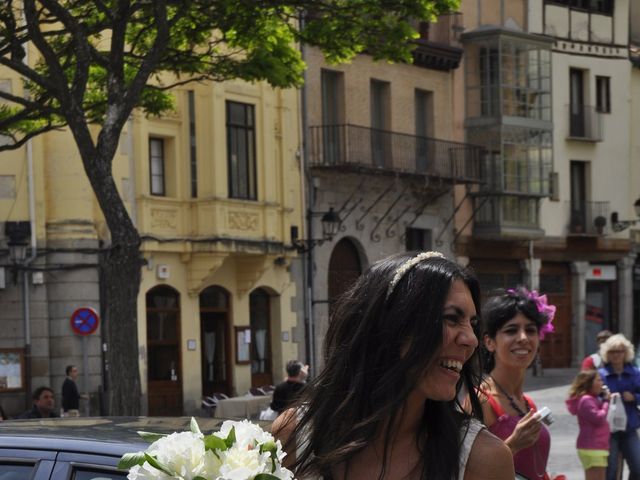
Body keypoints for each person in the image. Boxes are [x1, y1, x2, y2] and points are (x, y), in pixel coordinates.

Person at [273, 251, 514, 480]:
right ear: (392, 325)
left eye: (472, 323)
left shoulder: (483, 459)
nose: (471, 339)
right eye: (452, 318)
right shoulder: (295, 435)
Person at [480, 287, 555, 480]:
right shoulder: (481, 400)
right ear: (490, 342)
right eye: (511, 330)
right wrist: (512, 444)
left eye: (530, 330)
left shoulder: (528, 403)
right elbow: (467, 471)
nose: (523, 338)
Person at [598, 333, 640, 480]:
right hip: (609, 430)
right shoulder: (601, 374)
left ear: (626, 353)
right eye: (613, 351)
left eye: (620, 351)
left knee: (637, 467)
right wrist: (603, 398)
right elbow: (591, 397)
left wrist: (634, 397)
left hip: (630, 427)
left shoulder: (635, 373)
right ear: (607, 354)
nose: (616, 355)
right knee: (611, 470)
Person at [566, 369, 611, 480]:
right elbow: (599, 418)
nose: (602, 383)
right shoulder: (586, 400)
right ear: (590, 383)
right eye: (599, 380)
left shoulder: (591, 398)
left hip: (597, 446)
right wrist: (606, 402)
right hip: (593, 446)